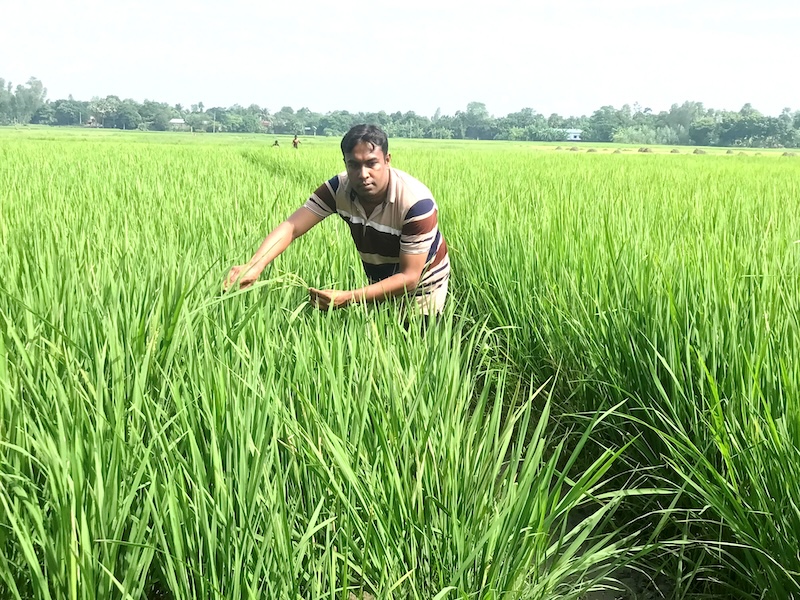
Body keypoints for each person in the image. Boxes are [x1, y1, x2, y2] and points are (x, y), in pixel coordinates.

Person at [224, 124, 450, 315]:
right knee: (381, 339)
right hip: (380, 277)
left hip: (423, 283)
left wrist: (348, 297)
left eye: (372, 163)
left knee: (416, 343)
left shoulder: (415, 204)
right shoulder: (338, 189)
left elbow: (409, 277)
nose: (363, 174)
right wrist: (255, 265)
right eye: (354, 164)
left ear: (387, 160)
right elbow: (292, 227)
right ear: (345, 163)